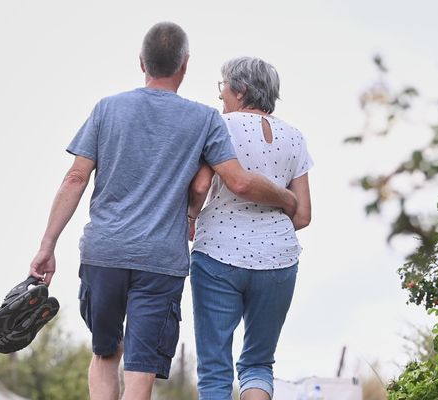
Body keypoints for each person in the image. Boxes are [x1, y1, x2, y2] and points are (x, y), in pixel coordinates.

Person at [28, 24, 297, 400]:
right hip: (161, 260)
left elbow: (75, 178)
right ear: (185, 66)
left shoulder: (107, 108)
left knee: (105, 354)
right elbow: (224, 181)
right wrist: (192, 214)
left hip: (104, 253)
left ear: (142, 62)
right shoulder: (205, 119)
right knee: (141, 371)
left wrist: (47, 244)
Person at [188, 57, 313, 400]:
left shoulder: (220, 125)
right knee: (258, 364)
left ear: (240, 90)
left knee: (215, 367)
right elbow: (302, 215)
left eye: (223, 86)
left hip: (217, 255)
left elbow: (200, 188)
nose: (220, 95)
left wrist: (189, 218)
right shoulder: (295, 136)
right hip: (278, 260)